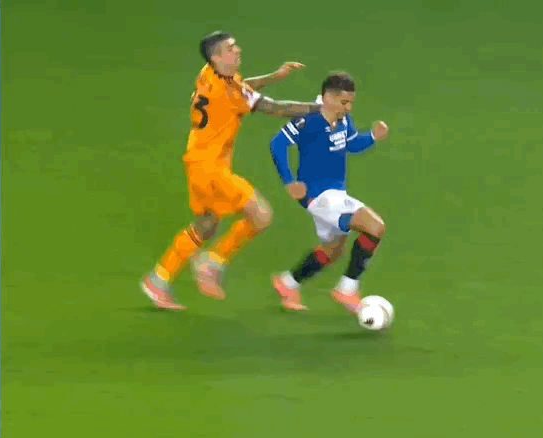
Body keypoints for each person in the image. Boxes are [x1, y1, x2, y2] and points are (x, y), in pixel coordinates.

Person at [140, 31, 321, 311]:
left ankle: (158, 280)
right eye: (230, 48)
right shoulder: (229, 92)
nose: (237, 51)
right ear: (216, 57)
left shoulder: (208, 74)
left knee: (205, 226)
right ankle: (211, 263)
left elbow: (242, 86)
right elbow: (274, 108)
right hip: (212, 168)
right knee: (260, 215)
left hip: (197, 162)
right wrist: (319, 109)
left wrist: (274, 77)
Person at [268, 72, 390, 313]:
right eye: (344, 102)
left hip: (336, 194)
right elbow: (278, 144)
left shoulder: (344, 119)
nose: (349, 107)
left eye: (351, 102)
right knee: (375, 227)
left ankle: (287, 283)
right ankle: (347, 290)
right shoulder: (308, 119)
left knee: (332, 251)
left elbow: (351, 144)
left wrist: (372, 137)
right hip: (318, 196)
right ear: (328, 98)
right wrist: (289, 181)